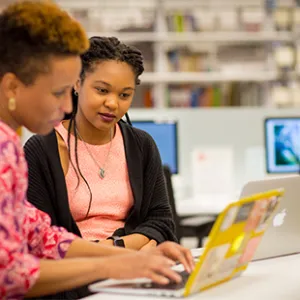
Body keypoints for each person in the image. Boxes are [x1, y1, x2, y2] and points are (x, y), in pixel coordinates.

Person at [0, 1, 195, 299]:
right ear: (13, 87)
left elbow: (40, 234)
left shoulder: (8, 144)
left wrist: (132, 260)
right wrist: (114, 266)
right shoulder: (12, 149)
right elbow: (10, 275)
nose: (67, 107)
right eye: (58, 92)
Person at [24, 36, 177, 249]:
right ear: (77, 83)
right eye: (102, 90)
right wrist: (109, 252)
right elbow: (39, 238)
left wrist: (120, 247)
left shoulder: (142, 145)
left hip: (136, 268)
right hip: (75, 270)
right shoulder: (42, 149)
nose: (113, 103)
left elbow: (162, 222)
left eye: (124, 95)